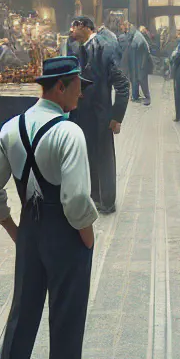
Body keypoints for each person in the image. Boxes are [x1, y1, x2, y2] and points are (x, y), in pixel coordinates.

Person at [0, 56, 102, 359]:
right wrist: (86, 236)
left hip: (30, 234)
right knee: (66, 328)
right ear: (62, 87)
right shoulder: (69, 133)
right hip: (66, 236)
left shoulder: (11, 128)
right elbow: (77, 198)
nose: (82, 92)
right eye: (78, 85)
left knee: (21, 319)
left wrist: (14, 229)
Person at [66, 16, 129, 214]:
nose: (70, 31)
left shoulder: (105, 48)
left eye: (73, 27)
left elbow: (122, 84)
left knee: (103, 157)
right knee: (88, 156)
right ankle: (94, 196)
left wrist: (117, 117)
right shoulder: (79, 48)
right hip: (82, 114)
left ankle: (107, 201)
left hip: (101, 115)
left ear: (83, 26)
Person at [128, 25, 153, 106]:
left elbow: (145, 53)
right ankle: (135, 96)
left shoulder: (138, 38)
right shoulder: (136, 36)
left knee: (142, 80)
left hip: (141, 63)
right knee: (136, 78)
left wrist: (142, 65)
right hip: (138, 62)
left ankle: (147, 98)